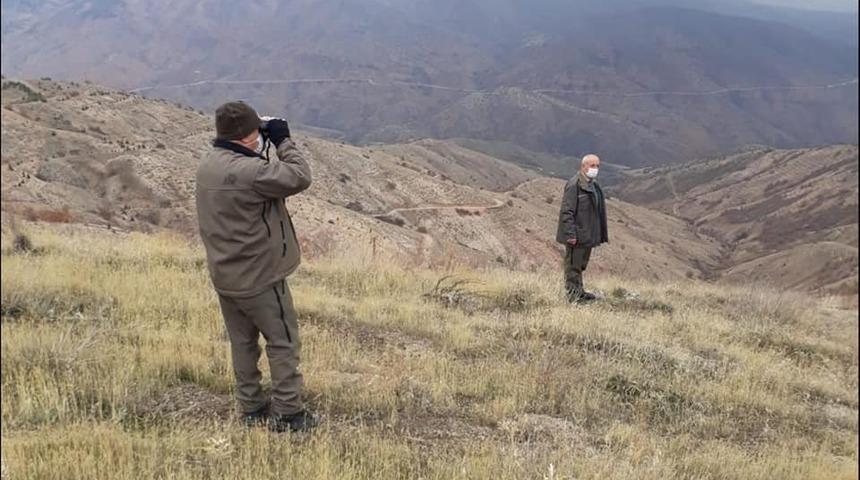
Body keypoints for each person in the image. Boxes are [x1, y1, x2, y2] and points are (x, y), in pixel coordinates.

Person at [195, 101, 317, 432]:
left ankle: (251, 407)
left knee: (243, 343)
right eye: (256, 131)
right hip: (260, 277)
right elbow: (300, 176)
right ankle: (289, 415)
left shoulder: (209, 165)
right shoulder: (251, 172)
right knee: (283, 341)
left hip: (226, 275)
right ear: (247, 136)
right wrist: (282, 140)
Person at [555, 154, 609, 303]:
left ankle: (579, 292)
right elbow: (567, 211)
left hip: (587, 234)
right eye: (592, 166)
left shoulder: (593, 185)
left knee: (581, 265)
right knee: (573, 266)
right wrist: (570, 234)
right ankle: (573, 296)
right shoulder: (574, 185)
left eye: (597, 166)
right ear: (583, 166)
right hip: (577, 235)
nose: (595, 169)